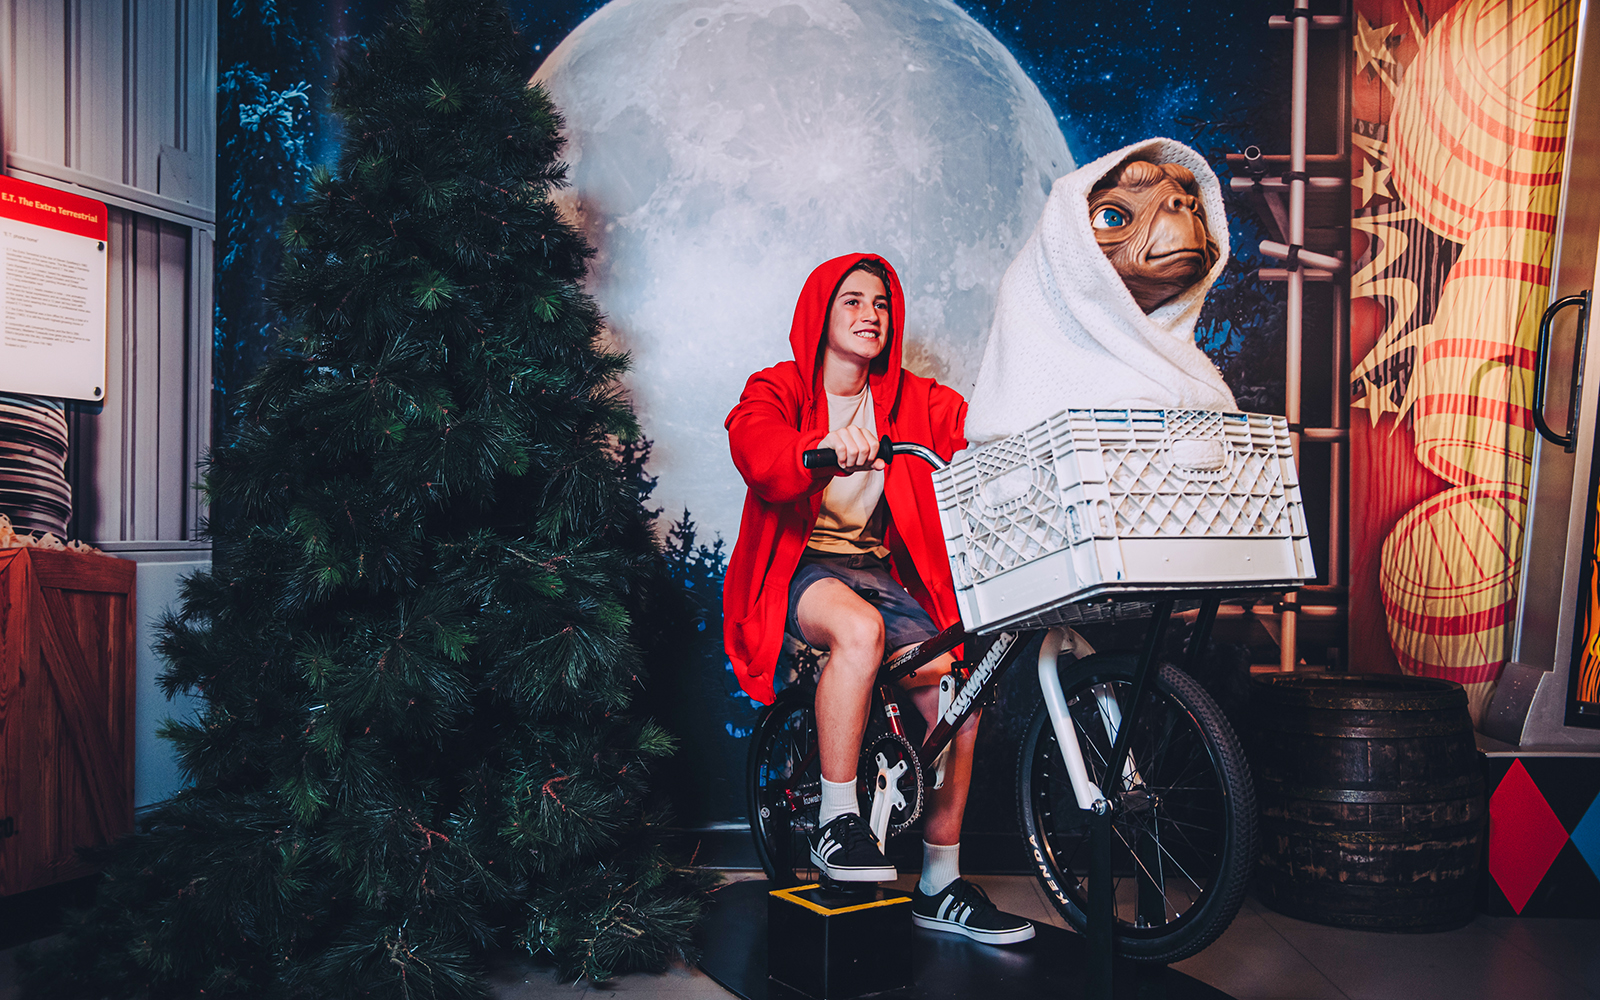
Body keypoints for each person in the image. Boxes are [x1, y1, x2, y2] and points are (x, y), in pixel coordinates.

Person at [724, 253, 1034, 945]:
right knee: (859, 631)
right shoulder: (777, 387)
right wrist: (820, 448)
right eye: (853, 301)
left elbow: (985, 427)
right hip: (801, 568)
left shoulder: (914, 400)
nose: (871, 314)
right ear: (820, 314)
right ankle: (837, 820)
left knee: (957, 698)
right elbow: (757, 448)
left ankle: (940, 884)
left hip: (875, 570)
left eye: (882, 304)